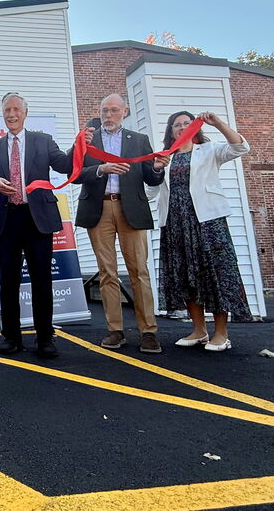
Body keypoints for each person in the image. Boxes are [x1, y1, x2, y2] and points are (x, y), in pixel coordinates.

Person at [0, 93, 91, 358]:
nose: (11, 114)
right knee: (8, 282)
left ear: (25, 113)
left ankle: (44, 338)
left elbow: (65, 164)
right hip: (7, 219)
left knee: (42, 281)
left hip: (37, 219)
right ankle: (11, 337)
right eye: (7, 110)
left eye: (16, 109)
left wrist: (80, 145)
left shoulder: (43, 141)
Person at [74, 93, 167, 353]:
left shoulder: (139, 140)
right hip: (99, 208)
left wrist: (157, 168)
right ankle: (115, 330)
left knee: (139, 271)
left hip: (131, 209)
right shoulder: (88, 139)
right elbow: (75, 174)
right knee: (107, 272)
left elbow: (151, 178)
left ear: (124, 112)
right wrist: (100, 169)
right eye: (105, 110)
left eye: (114, 110)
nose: (108, 115)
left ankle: (148, 331)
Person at [154, 111, 251, 351]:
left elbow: (241, 148)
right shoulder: (165, 157)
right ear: (171, 131)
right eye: (176, 124)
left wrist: (218, 123)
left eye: (187, 123)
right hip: (176, 224)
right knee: (186, 275)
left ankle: (221, 334)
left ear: (195, 128)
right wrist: (155, 170)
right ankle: (199, 330)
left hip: (208, 222)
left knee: (214, 274)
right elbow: (149, 192)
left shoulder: (209, 150)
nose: (181, 127)